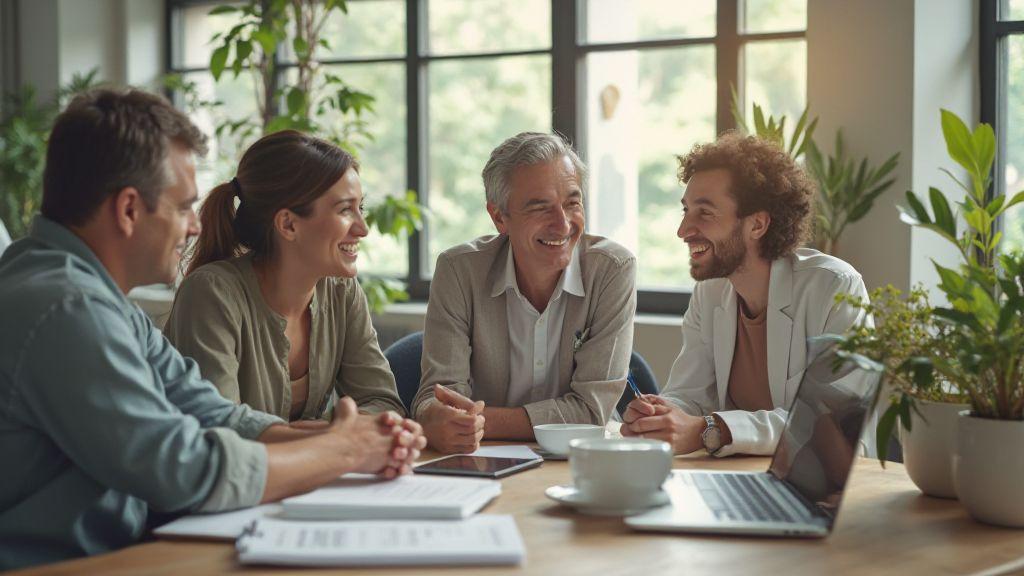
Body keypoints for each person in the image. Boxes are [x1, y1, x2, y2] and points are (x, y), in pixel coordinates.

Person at [0, 88, 424, 570]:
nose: (196, 227)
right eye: (183, 207)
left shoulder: (102, 302)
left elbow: (210, 411)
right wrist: (343, 450)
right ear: (129, 210)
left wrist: (348, 440)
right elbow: (181, 468)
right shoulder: (66, 309)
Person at [621, 132, 870, 457]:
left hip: (824, 487)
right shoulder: (711, 292)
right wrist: (661, 413)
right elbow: (691, 394)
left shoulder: (833, 287)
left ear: (757, 225)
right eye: (686, 210)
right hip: (739, 475)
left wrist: (710, 430)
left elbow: (831, 426)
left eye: (704, 213)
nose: (683, 230)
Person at [412, 132, 637, 454]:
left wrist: (479, 421)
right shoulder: (459, 270)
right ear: (499, 217)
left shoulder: (612, 269)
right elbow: (438, 395)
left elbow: (591, 412)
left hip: (583, 456)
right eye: (540, 207)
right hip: (482, 457)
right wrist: (437, 417)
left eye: (572, 203)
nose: (562, 224)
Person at [164, 130, 405, 422]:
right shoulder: (211, 292)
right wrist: (339, 434)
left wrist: (335, 435)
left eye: (361, 207)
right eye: (345, 210)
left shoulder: (342, 290)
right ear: (288, 224)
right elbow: (223, 428)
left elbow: (383, 403)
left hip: (318, 467)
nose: (363, 228)